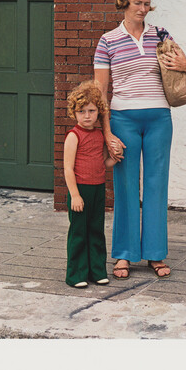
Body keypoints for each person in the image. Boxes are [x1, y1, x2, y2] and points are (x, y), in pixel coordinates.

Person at [93, 0, 186, 280]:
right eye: (137, 2)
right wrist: (107, 133)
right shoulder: (107, 41)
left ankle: (155, 253)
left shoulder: (161, 35)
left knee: (156, 184)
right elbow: (100, 92)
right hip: (123, 119)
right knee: (125, 186)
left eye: (147, 3)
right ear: (124, 3)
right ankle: (124, 254)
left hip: (159, 119)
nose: (143, 8)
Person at [63, 81, 118, 288]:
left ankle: (97, 271)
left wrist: (115, 158)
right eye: (82, 111)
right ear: (74, 113)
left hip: (98, 189)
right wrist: (75, 195)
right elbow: (68, 169)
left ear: (99, 112)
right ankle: (76, 275)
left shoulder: (99, 135)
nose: (87, 116)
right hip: (80, 190)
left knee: (96, 230)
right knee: (79, 232)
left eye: (92, 111)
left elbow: (103, 163)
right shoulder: (73, 136)